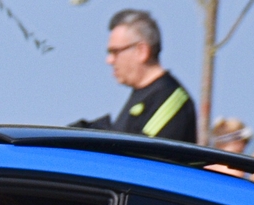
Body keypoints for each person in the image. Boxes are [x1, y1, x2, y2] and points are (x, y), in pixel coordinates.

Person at [71, 9, 196, 144]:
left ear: (141, 51)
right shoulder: (143, 95)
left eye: (115, 52)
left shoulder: (171, 98)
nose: (109, 60)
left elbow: (140, 152)